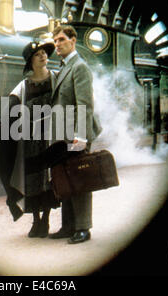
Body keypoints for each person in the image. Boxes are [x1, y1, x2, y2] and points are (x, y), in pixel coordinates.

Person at [0, 40, 59, 238]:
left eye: (44, 52)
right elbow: (9, 108)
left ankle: (46, 220)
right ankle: (36, 220)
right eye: (38, 54)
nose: (43, 56)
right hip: (31, 140)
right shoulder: (23, 86)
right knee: (32, 179)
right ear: (30, 61)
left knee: (49, 179)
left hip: (51, 138)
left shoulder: (57, 78)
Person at [48, 25, 102, 244]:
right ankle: (68, 225)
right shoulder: (64, 67)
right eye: (55, 41)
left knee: (80, 180)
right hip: (62, 135)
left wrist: (81, 137)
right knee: (64, 180)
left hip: (75, 135)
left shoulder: (79, 67)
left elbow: (85, 105)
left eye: (61, 39)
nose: (57, 44)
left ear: (73, 41)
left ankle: (83, 228)